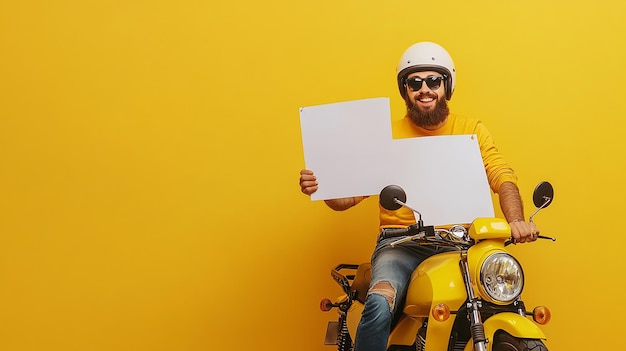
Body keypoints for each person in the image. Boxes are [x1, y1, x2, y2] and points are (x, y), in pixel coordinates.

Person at [299, 41, 540, 351]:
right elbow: (347, 197)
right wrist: (324, 186)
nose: (424, 89)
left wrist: (517, 220)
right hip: (401, 244)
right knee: (379, 302)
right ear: (406, 89)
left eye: (433, 81)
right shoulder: (387, 136)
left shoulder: (471, 130)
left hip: (461, 242)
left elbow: (502, 176)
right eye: (415, 82)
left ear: (447, 85)